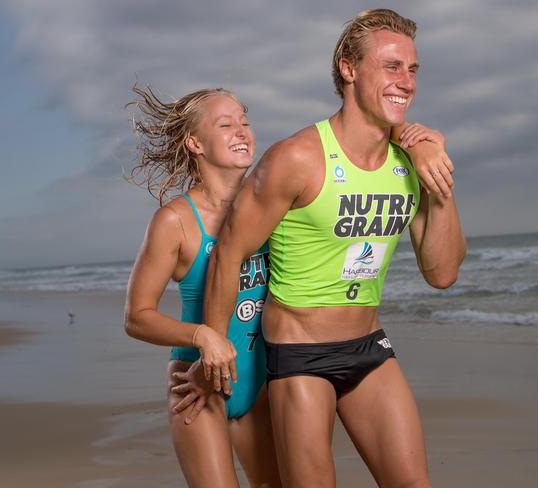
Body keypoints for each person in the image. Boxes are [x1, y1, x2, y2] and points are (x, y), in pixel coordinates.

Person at [199, 9, 466, 488]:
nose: (406, 81)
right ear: (348, 68)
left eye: (412, 69)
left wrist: (438, 178)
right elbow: (229, 253)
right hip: (301, 355)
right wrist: (214, 350)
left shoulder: (411, 159)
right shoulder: (297, 158)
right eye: (391, 66)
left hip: (368, 346)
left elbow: (442, 274)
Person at [123, 86, 280, 487]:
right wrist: (202, 335)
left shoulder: (272, 207)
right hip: (196, 384)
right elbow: (137, 317)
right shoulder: (175, 221)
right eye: (226, 124)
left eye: (245, 122)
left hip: (260, 377)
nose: (242, 131)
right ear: (195, 142)